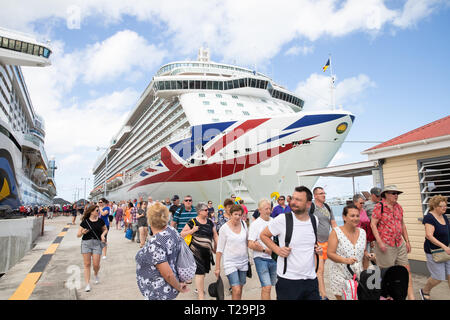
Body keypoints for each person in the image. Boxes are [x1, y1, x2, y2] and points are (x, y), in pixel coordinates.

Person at [260, 186, 322, 300]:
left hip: (311, 279)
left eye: (298, 200)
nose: (293, 202)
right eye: (293, 198)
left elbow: (309, 242)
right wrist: (278, 250)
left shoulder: (314, 220)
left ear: (308, 204)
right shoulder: (282, 219)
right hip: (288, 280)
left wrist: (316, 248)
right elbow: (263, 235)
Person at [135, 202, 189, 300]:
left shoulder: (155, 243)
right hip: (167, 290)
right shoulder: (173, 232)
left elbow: (168, 274)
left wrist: (179, 287)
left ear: (149, 219)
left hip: (158, 293)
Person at [370, 185, 415, 300]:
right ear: (386, 194)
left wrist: (407, 241)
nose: (396, 195)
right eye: (393, 193)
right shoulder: (379, 207)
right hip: (385, 244)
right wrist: (379, 242)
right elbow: (373, 224)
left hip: (399, 243)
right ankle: (386, 296)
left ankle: (411, 296)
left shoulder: (399, 207)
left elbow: (402, 224)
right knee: (387, 273)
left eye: (397, 193)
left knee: (406, 270)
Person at [327, 204, 376, 300]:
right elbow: (330, 253)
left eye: (357, 216)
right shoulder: (336, 232)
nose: (356, 218)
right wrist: (345, 260)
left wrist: (368, 255)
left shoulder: (362, 232)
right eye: (352, 216)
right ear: (344, 217)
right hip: (340, 274)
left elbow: (364, 251)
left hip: (357, 274)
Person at [181, 202, 219, 300]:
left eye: (208, 210)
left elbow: (215, 235)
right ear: (199, 211)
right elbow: (182, 234)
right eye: (206, 210)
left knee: (203, 272)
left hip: (207, 253)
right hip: (196, 253)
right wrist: (192, 231)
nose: (208, 211)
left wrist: (216, 246)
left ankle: (199, 289)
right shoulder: (192, 222)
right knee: (200, 273)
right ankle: (201, 295)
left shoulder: (210, 222)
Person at [215, 204, 249, 300]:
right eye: (235, 214)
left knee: (240, 289)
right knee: (236, 289)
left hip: (243, 262)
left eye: (240, 215)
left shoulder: (243, 224)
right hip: (230, 262)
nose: (238, 217)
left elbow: (247, 242)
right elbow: (219, 249)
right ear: (230, 214)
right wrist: (217, 268)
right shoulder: (224, 228)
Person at [420, 195, 450, 300]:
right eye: (442, 206)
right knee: (438, 278)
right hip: (434, 251)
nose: (444, 208)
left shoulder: (444, 216)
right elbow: (429, 235)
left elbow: (447, 232)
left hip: (447, 250)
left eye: (445, 206)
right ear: (435, 206)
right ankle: (425, 290)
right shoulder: (429, 217)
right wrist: (444, 247)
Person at [310, 187, 337, 300]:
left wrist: (339, 237)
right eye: (321, 193)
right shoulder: (311, 207)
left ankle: (315, 291)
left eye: (324, 193)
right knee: (320, 270)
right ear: (315, 196)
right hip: (317, 242)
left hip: (327, 242)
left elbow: (333, 224)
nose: (324, 195)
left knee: (318, 269)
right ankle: (323, 295)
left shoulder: (327, 207)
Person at [248, 199, 277, 300]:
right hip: (260, 258)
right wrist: (264, 249)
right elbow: (250, 243)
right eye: (266, 209)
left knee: (274, 285)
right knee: (266, 286)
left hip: (274, 258)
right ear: (259, 210)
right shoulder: (255, 224)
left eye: (269, 208)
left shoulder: (274, 221)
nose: (268, 211)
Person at [77, 205, 108, 292]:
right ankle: (87, 284)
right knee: (87, 264)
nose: (98, 212)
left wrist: (102, 235)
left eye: (98, 211)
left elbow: (105, 229)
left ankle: (96, 274)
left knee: (96, 264)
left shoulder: (100, 221)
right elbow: (78, 235)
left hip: (97, 244)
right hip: (86, 243)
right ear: (91, 212)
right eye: (97, 211)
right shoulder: (85, 222)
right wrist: (82, 232)